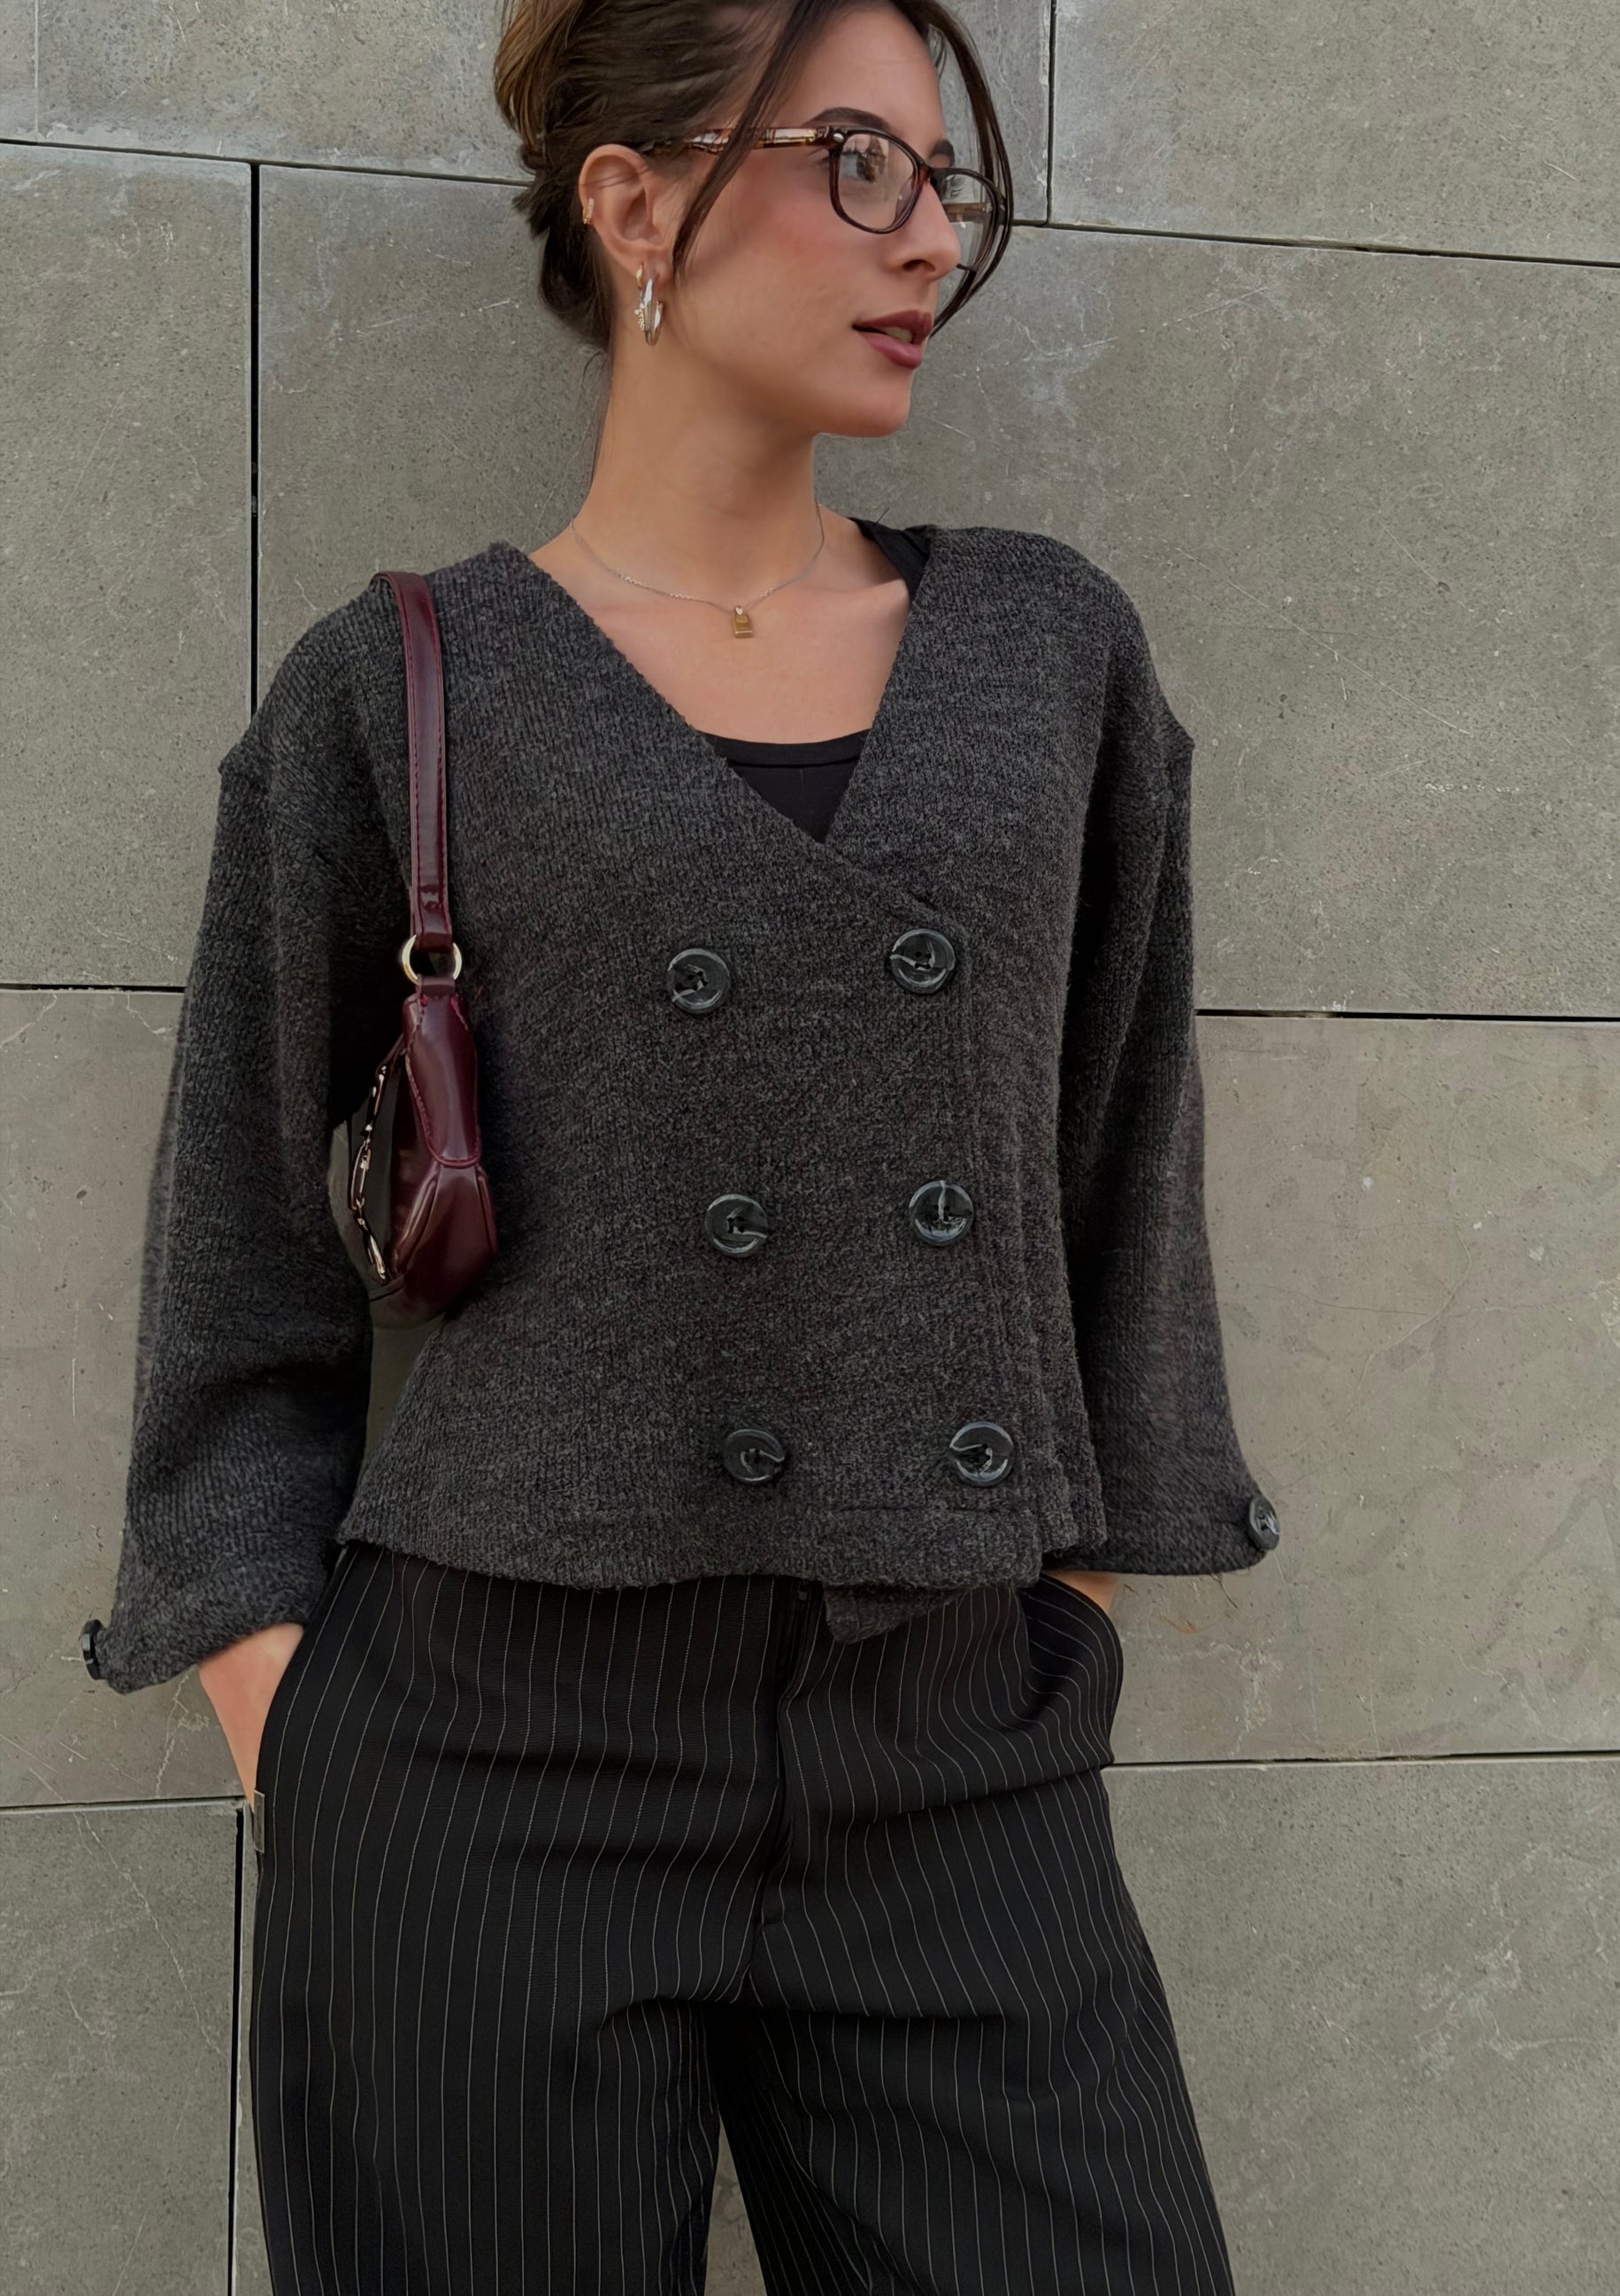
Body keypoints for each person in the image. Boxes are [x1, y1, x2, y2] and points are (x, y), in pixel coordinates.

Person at [79, 0, 1284, 2287]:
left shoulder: (1047, 658)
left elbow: (1125, 1176)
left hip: (956, 1757)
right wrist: (292, 1720)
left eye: (946, 181)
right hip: (485, 1763)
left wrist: (1066, 1623)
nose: (925, 239)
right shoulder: (397, 685)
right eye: (857, 163)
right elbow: (235, 1248)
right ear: (633, 202)